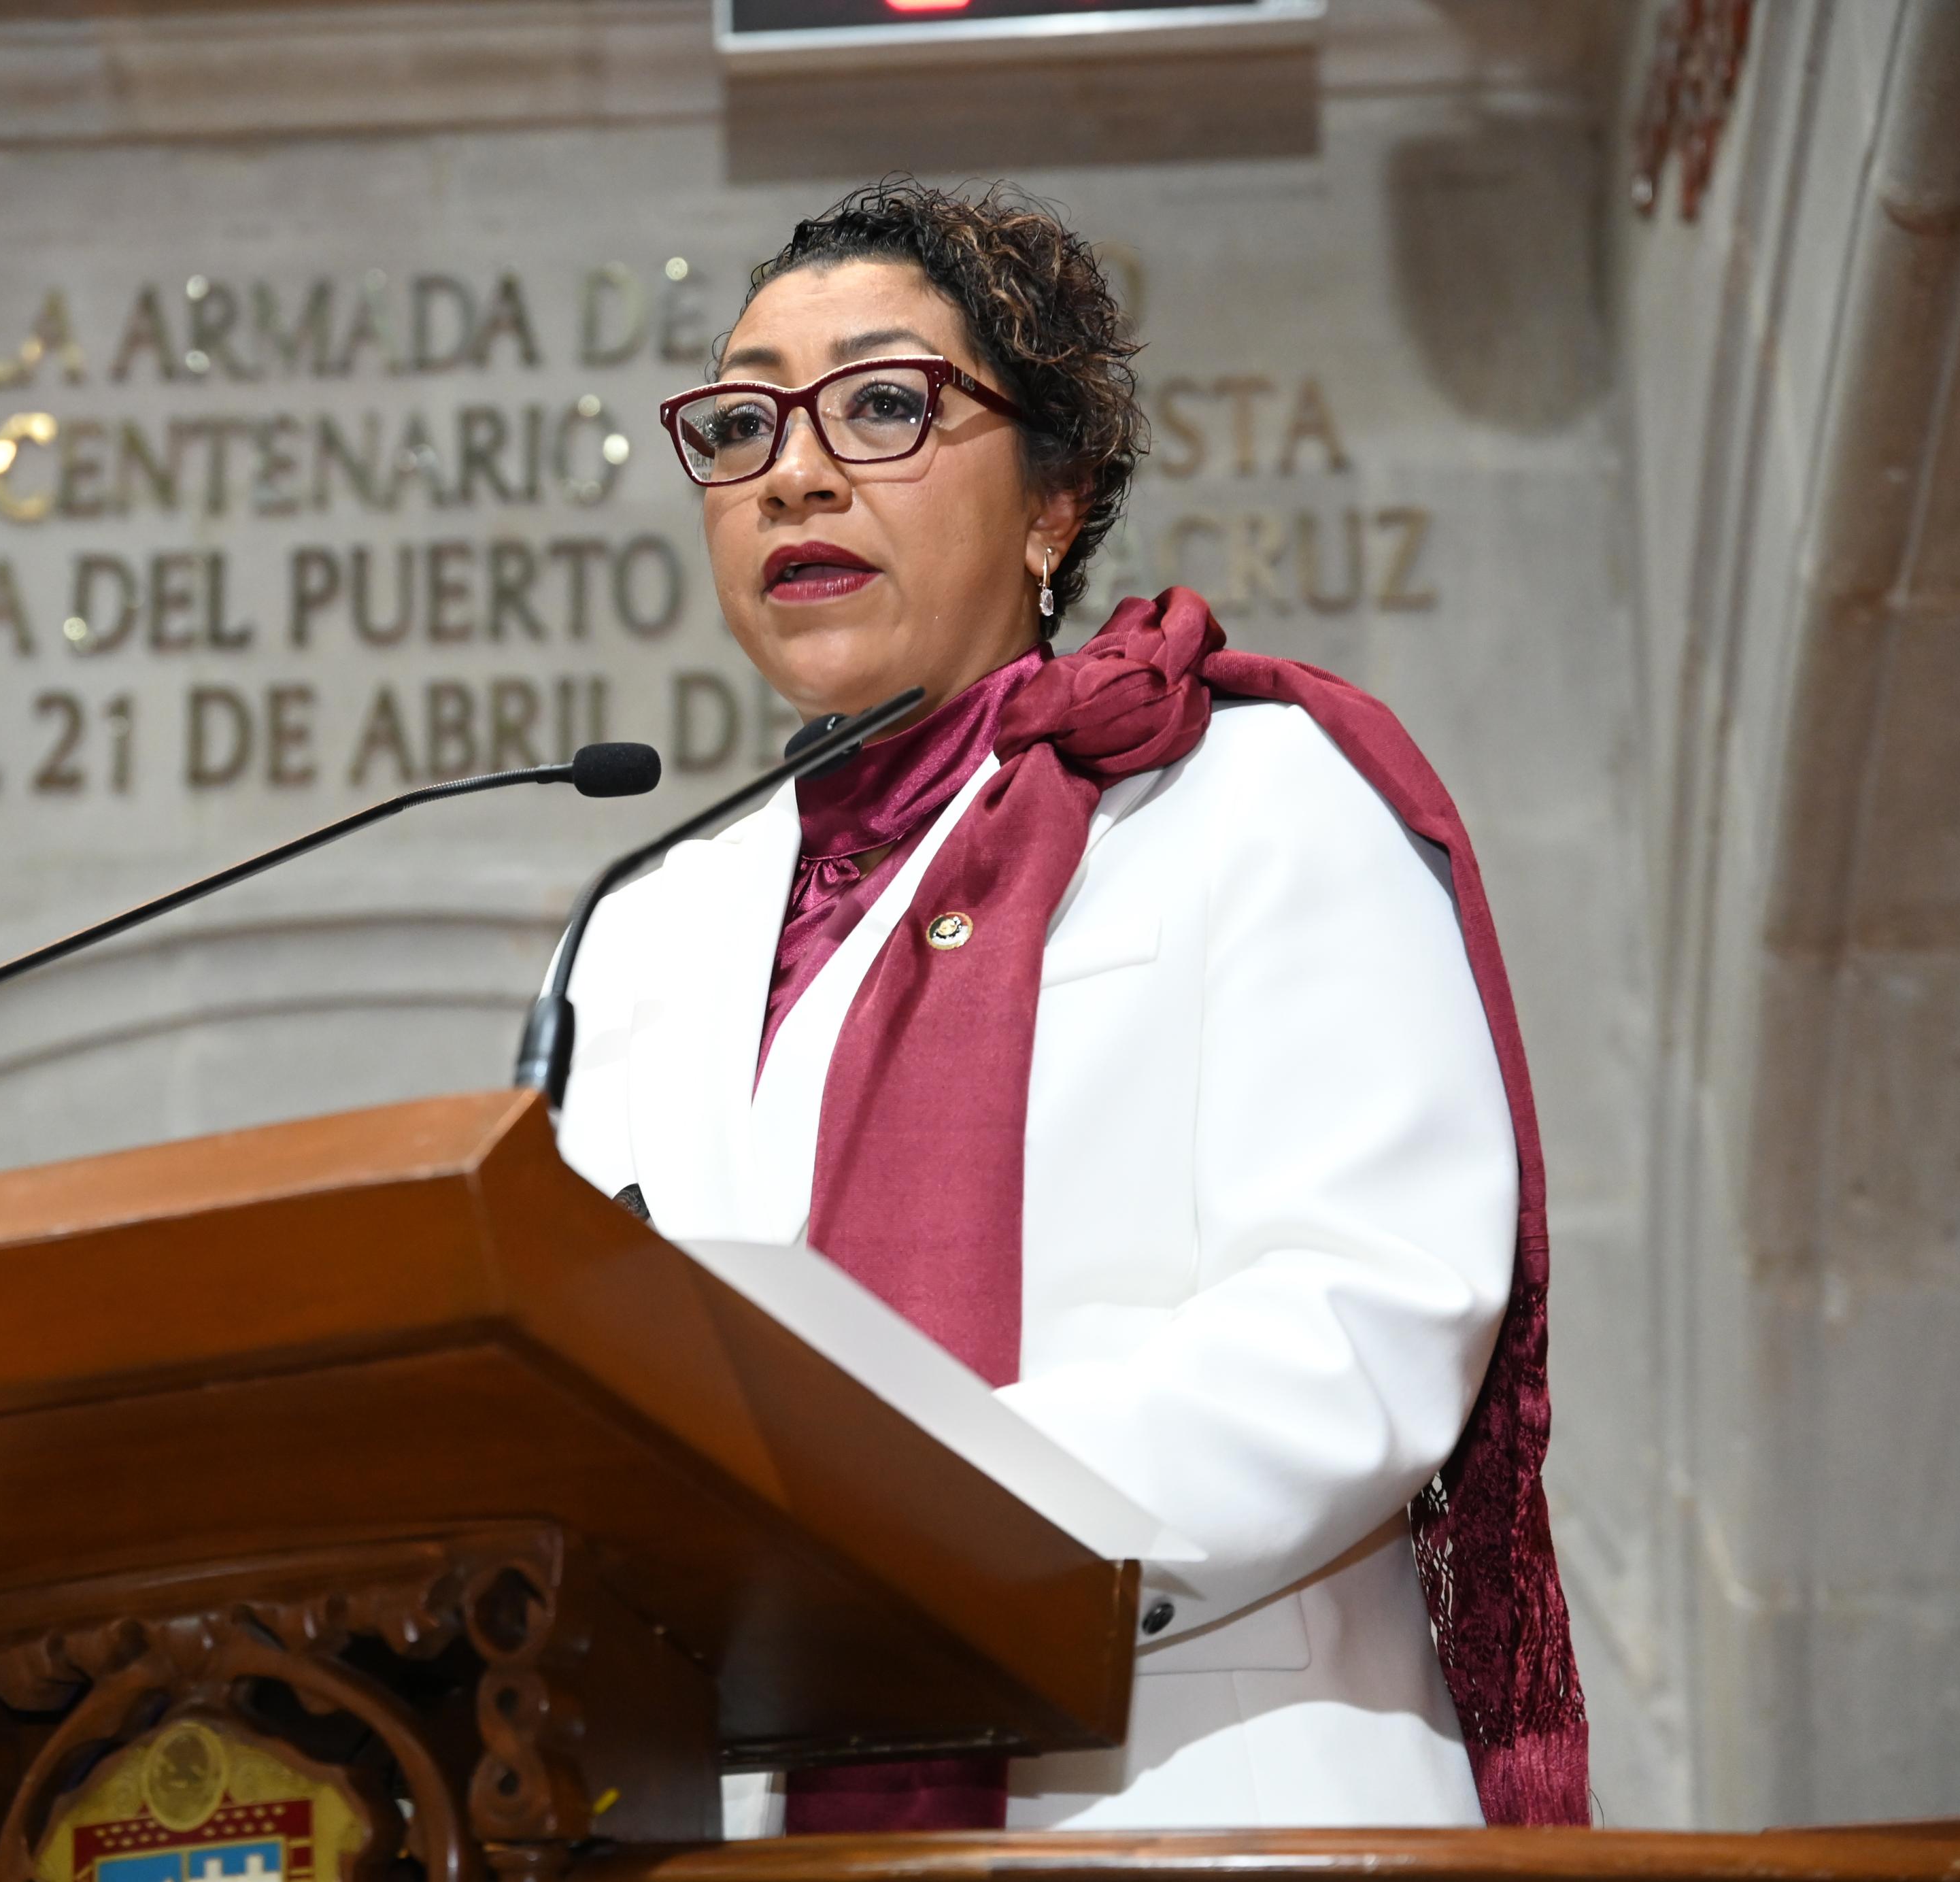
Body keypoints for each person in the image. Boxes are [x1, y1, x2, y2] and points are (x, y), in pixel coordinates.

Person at [552, 181, 1587, 1833]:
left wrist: (897, 1522)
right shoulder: (642, 922)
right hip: (761, 1828)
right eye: (743, 424)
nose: (794, 472)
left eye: (882, 405)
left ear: (1057, 497)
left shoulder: (1252, 794)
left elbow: (1365, 1318)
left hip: (1198, 1795)